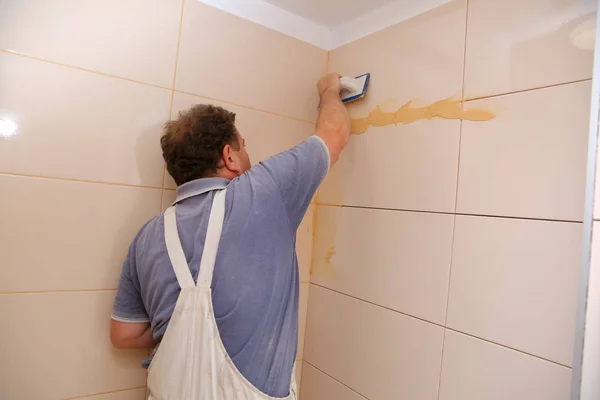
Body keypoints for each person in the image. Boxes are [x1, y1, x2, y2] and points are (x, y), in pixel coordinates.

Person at [110, 72, 350, 399]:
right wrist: (329, 91)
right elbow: (333, 132)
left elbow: (124, 334)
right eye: (244, 147)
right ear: (229, 156)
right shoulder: (265, 191)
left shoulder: (146, 236)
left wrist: (183, 335)